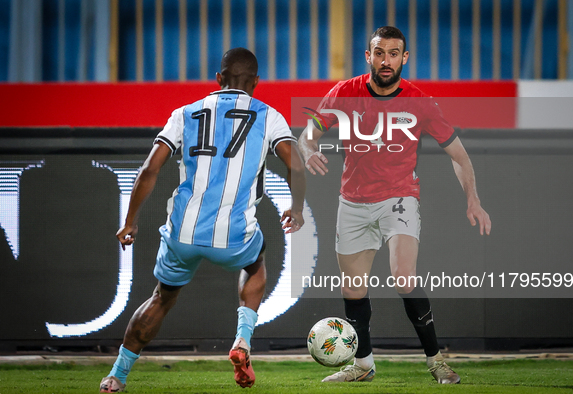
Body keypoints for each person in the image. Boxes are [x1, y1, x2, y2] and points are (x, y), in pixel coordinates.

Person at [100, 47, 306, 392]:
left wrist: (130, 220)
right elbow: (296, 165)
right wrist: (296, 207)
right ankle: (242, 340)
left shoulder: (185, 112)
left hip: (184, 230)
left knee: (161, 298)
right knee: (256, 264)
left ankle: (116, 377)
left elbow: (151, 167)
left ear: (217, 79)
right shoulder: (269, 116)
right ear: (256, 82)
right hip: (234, 235)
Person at [298, 26, 491, 384]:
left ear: (404, 58)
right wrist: (308, 151)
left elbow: (460, 156)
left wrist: (473, 200)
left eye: (393, 53)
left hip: (399, 198)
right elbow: (307, 135)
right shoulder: (344, 92)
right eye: (379, 52)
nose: (386, 60)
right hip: (352, 204)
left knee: (404, 276)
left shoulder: (420, 101)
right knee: (353, 290)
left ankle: (436, 361)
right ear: (368, 56)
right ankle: (363, 365)